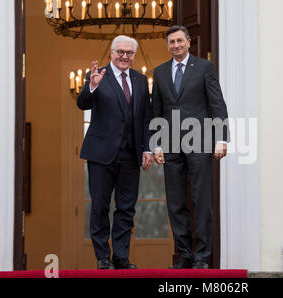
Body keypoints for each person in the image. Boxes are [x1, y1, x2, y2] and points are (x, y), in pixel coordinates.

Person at [151, 25, 229, 269]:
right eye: (171, 42)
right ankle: (184, 254)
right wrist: (156, 144)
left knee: (200, 199)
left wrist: (222, 139)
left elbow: (217, 103)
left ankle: (201, 256)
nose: (175, 45)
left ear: (188, 42)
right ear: (167, 45)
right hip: (170, 144)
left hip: (200, 141)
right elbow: (157, 111)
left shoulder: (204, 67)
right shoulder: (160, 72)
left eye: (179, 41)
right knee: (175, 202)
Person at [77, 35, 153, 270]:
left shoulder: (141, 80)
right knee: (100, 206)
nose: (124, 56)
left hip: (131, 155)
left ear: (133, 55)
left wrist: (148, 148)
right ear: (111, 52)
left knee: (126, 209)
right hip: (101, 154)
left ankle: (121, 256)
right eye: (120, 52)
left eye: (129, 53)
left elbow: (146, 118)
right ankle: (103, 257)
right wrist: (93, 85)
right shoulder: (98, 75)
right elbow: (82, 103)